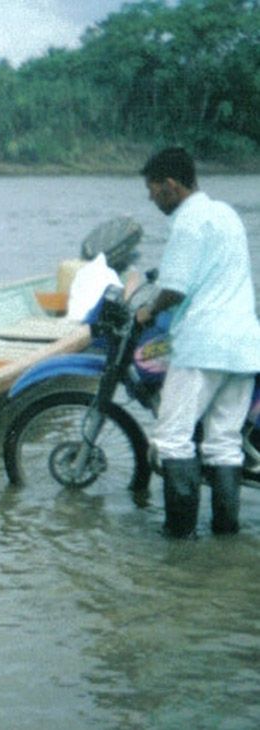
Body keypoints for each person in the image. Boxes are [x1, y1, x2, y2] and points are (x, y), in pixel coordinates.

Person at [133, 147, 260, 538]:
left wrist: (148, 311)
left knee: (173, 439)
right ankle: (225, 536)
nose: (151, 198)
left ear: (171, 186)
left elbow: (175, 286)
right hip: (243, 346)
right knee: (223, 444)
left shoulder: (188, 223)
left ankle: (179, 540)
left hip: (204, 344)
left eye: (153, 189)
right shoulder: (225, 214)